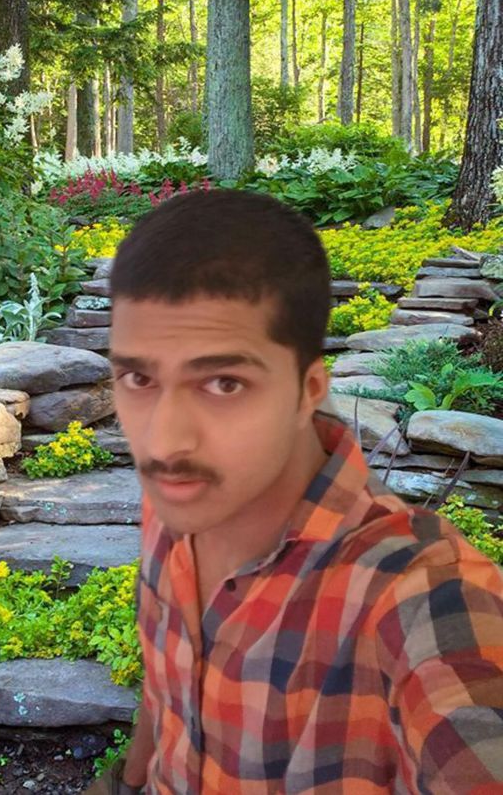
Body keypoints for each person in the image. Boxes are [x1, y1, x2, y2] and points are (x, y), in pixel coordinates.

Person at [85, 189, 503, 794]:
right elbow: (168, 685)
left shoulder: (423, 595)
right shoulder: (179, 498)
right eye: (138, 377)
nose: (164, 440)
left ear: (309, 390)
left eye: (223, 383)